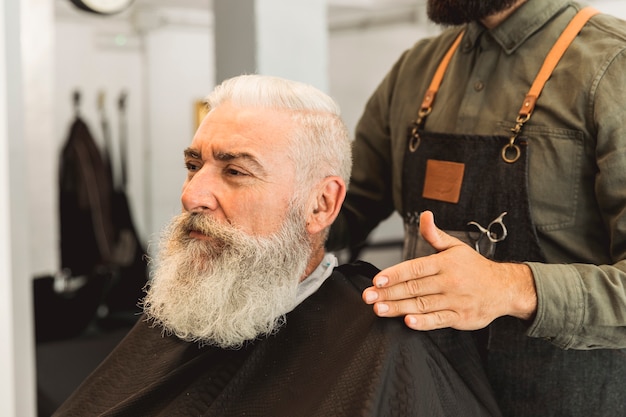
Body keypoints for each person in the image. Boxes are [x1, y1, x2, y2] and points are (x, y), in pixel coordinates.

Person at [52, 74, 501, 416]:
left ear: (321, 205)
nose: (191, 196)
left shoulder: (378, 354)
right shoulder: (179, 315)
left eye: (235, 172)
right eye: (194, 165)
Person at [326, 0, 626, 416]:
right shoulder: (417, 68)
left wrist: (509, 288)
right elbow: (347, 205)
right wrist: (260, 213)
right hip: (424, 394)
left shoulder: (613, 66)